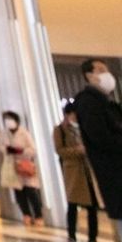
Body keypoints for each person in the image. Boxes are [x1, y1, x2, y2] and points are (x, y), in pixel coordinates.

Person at [74, 59, 122, 237]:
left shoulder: (106, 103)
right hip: (113, 172)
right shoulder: (88, 102)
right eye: (101, 70)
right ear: (89, 76)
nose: (107, 74)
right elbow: (100, 137)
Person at [54, 100, 99, 242]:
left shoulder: (82, 128)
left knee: (92, 206)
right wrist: (77, 150)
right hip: (73, 172)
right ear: (68, 114)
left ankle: (92, 237)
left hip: (87, 171)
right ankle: (71, 235)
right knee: (72, 204)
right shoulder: (60, 130)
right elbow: (59, 150)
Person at [0, 110, 43, 226]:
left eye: (10, 119)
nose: (8, 122)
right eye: (6, 120)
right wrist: (8, 150)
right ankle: (26, 214)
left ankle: (38, 215)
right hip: (12, 165)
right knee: (18, 192)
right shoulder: (4, 133)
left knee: (31, 191)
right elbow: (1, 146)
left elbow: (33, 150)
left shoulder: (24, 133)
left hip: (25, 164)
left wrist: (20, 151)